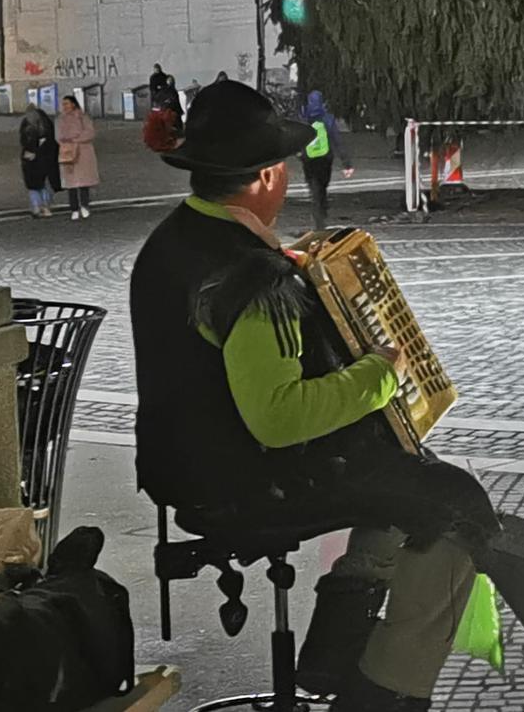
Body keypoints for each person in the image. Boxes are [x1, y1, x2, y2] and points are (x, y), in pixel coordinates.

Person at [130, 81, 499, 712]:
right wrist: (381, 370)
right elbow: (279, 419)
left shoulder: (171, 241)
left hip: (178, 469)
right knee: (455, 502)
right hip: (244, 481)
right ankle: (384, 693)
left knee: (404, 478)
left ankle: (335, 651)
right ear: (269, 175)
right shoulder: (254, 277)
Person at [299, 90, 354, 230]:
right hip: (325, 158)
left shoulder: (304, 118)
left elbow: (297, 137)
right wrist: (346, 163)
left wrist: (298, 153)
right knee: (323, 186)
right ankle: (321, 211)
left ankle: (317, 213)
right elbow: (337, 140)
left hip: (308, 158)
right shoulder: (327, 118)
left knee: (313, 187)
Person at [56, 95, 99, 220]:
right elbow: (58, 135)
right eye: (63, 104)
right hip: (68, 152)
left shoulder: (83, 117)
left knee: (84, 181)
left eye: (67, 103)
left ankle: (84, 205)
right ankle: (74, 208)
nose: (64, 106)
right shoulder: (61, 119)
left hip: (83, 152)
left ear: (73, 104)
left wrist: (76, 139)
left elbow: (90, 132)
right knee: (71, 183)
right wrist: (66, 142)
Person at [19, 104, 60, 218]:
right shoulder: (46, 124)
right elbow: (51, 142)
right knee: (44, 185)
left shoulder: (26, 124)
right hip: (44, 159)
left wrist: (31, 152)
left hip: (31, 159)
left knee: (33, 186)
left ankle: (37, 208)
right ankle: (45, 207)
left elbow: (23, 141)